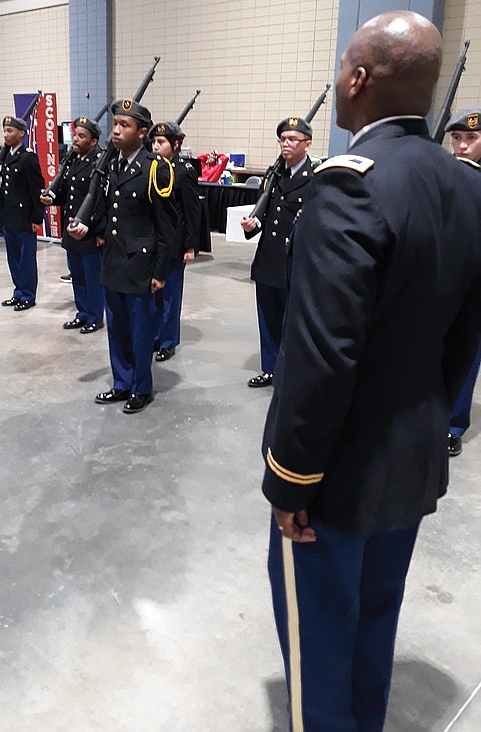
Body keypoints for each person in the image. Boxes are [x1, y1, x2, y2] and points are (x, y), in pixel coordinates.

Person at [260, 11, 481, 732]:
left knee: (320, 637)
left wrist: (292, 478)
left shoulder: (349, 183)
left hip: (336, 477)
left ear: (357, 79)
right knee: (375, 615)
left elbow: (323, 352)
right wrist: (426, 418)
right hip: (409, 458)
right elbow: (464, 336)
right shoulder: (463, 183)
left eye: (341, 66)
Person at [71, 99, 175, 413]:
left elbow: (166, 227)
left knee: (141, 332)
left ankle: (141, 388)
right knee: (116, 330)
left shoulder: (157, 168)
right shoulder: (110, 165)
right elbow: (106, 214)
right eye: (115, 124)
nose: (116, 130)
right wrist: (86, 229)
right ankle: (121, 383)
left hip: (141, 266)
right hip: (113, 261)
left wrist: (159, 272)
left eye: (124, 125)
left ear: (142, 133)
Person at [240, 117, 315, 387]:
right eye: (283, 139)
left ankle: (290, 373)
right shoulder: (275, 175)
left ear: (307, 144)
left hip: (294, 263)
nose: (286, 144)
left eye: (292, 139)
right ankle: (270, 368)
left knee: (292, 324)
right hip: (268, 259)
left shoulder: (314, 179)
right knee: (268, 320)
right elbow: (266, 214)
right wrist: (253, 224)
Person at [40, 116, 105, 333]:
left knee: (92, 279)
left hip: (89, 231)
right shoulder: (74, 160)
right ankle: (82, 313)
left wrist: (99, 231)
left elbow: (102, 202)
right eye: (75, 135)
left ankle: (95, 317)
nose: (75, 139)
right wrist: (53, 199)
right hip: (71, 229)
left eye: (81, 136)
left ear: (93, 141)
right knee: (77, 276)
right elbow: (69, 194)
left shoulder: (100, 163)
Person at [0, 116, 45, 311]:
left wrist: (37, 218)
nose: (6, 135)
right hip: (9, 216)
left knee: (26, 260)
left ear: (21, 134)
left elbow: (37, 190)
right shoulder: (5, 157)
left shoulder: (28, 158)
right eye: (5, 131)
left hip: (25, 218)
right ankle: (18, 292)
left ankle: (28, 295)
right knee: (13, 258)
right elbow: (5, 188)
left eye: (10, 131)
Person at [444, 108, 481, 456]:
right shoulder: (443, 174)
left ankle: (453, 425)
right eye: (457, 138)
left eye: (472, 138)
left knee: (466, 355)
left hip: (474, 286)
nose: (463, 145)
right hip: (440, 280)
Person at [150, 121, 200, 361]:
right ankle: (155, 335)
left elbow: (192, 211)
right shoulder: (151, 168)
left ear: (176, 144)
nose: (155, 146)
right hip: (153, 243)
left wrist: (190, 245)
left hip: (174, 243)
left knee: (170, 295)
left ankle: (168, 340)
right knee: (154, 293)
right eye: (154, 142)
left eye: (161, 142)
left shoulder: (184, 171)